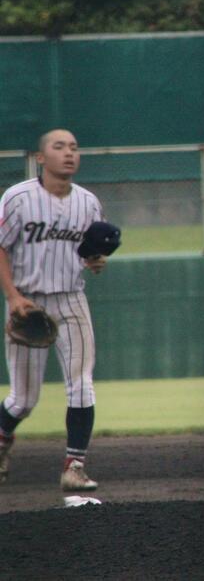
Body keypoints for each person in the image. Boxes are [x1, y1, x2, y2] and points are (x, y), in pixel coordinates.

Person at [0, 129, 109, 492]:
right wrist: (13, 297)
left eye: (74, 147)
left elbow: (90, 252)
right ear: (41, 157)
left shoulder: (88, 203)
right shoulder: (17, 199)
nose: (68, 153)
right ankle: (1, 440)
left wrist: (95, 261)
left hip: (70, 299)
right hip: (27, 301)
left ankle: (74, 466)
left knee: (81, 386)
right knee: (23, 400)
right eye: (59, 147)